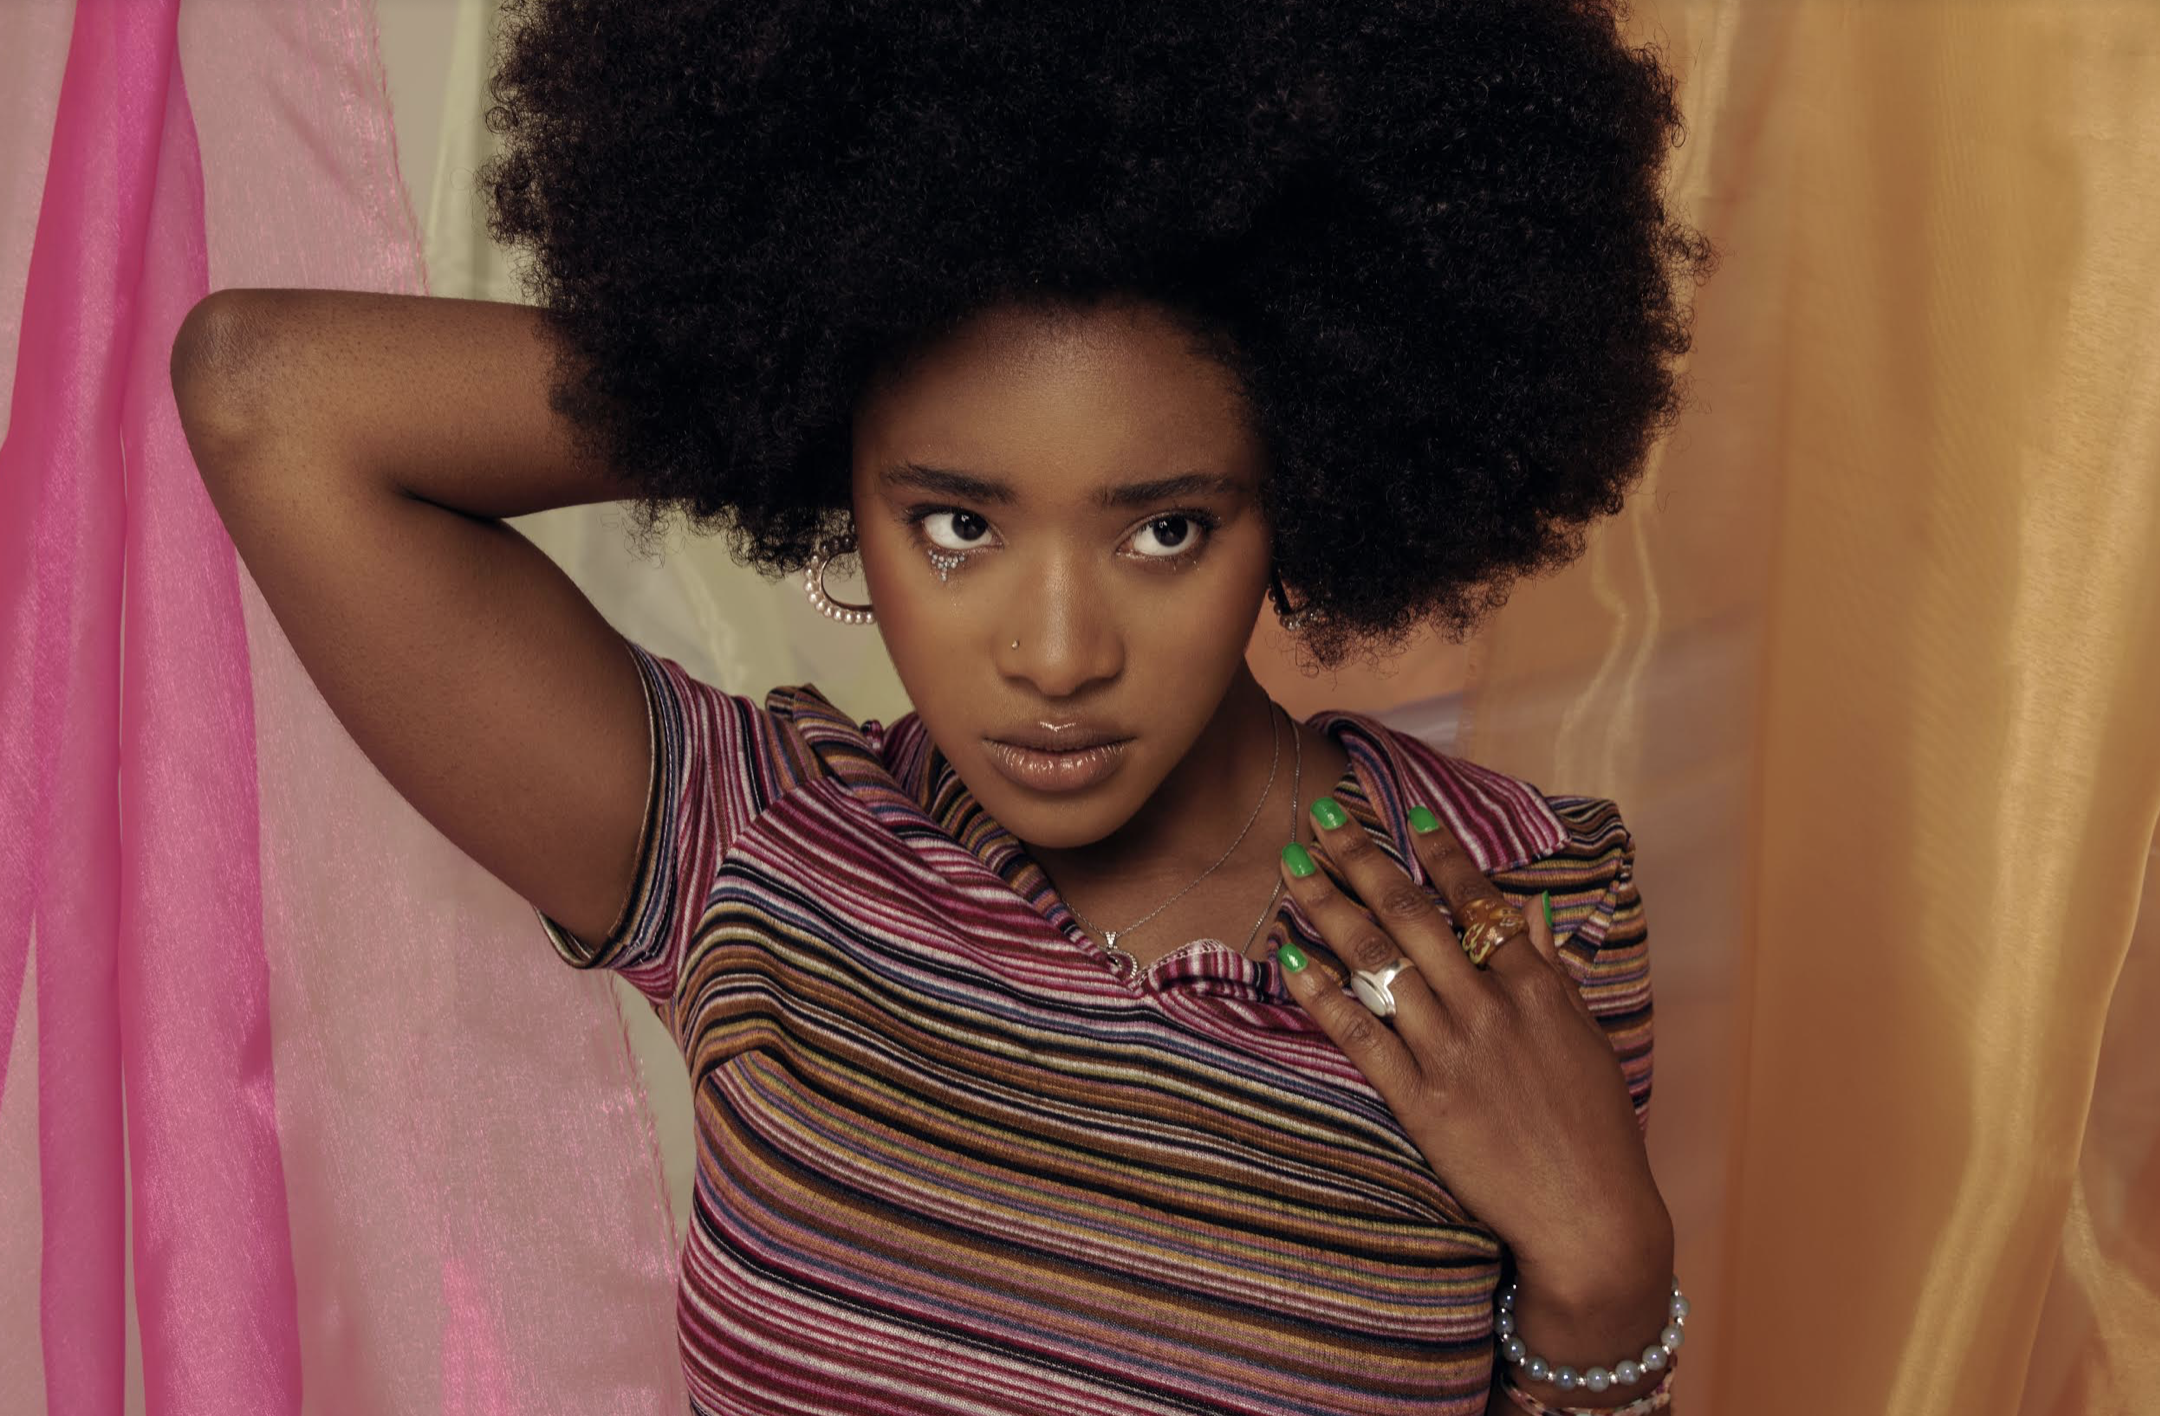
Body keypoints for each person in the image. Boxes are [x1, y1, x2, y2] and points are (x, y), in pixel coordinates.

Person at [169, 1, 1717, 1411]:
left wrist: (1606, 1277)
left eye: (1165, 529)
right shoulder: (758, 841)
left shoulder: (1512, 905)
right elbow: (264, 392)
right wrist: (779, 387)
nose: (1055, 656)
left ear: (1311, 474)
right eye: (959, 522)